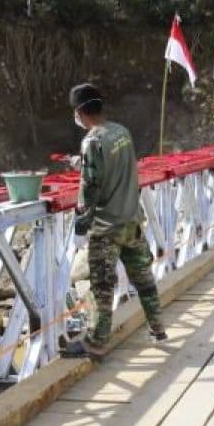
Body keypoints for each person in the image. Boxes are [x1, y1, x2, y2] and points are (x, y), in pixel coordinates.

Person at [69, 83, 166, 357]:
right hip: (132, 221)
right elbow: (119, 166)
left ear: (79, 112)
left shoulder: (92, 141)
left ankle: (97, 342)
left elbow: (90, 187)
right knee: (144, 279)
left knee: (96, 284)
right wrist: (84, 162)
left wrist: (81, 220)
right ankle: (158, 328)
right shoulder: (121, 132)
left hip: (107, 226)